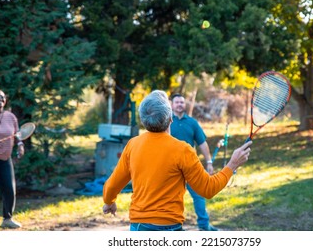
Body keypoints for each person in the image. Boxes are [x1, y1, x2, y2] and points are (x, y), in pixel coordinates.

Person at [102, 90, 252, 231]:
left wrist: (109, 202)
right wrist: (232, 164)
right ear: (170, 118)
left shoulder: (132, 145)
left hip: (138, 227)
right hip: (169, 227)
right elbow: (208, 189)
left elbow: (111, 185)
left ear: (143, 120)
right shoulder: (183, 150)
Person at [170, 93, 218, 231]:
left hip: (190, 167)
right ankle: (175, 226)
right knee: (172, 198)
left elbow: (202, 143)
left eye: (182, 102)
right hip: (171, 168)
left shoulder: (192, 123)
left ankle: (204, 225)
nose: (180, 104)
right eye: (177, 102)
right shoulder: (167, 122)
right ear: (172, 105)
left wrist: (209, 162)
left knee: (199, 195)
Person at [0, 89, 25, 229]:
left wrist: (20, 145)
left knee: (9, 189)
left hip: (5, 159)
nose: (0, 99)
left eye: (3, 97)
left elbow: (17, 135)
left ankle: (7, 219)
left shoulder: (11, 117)